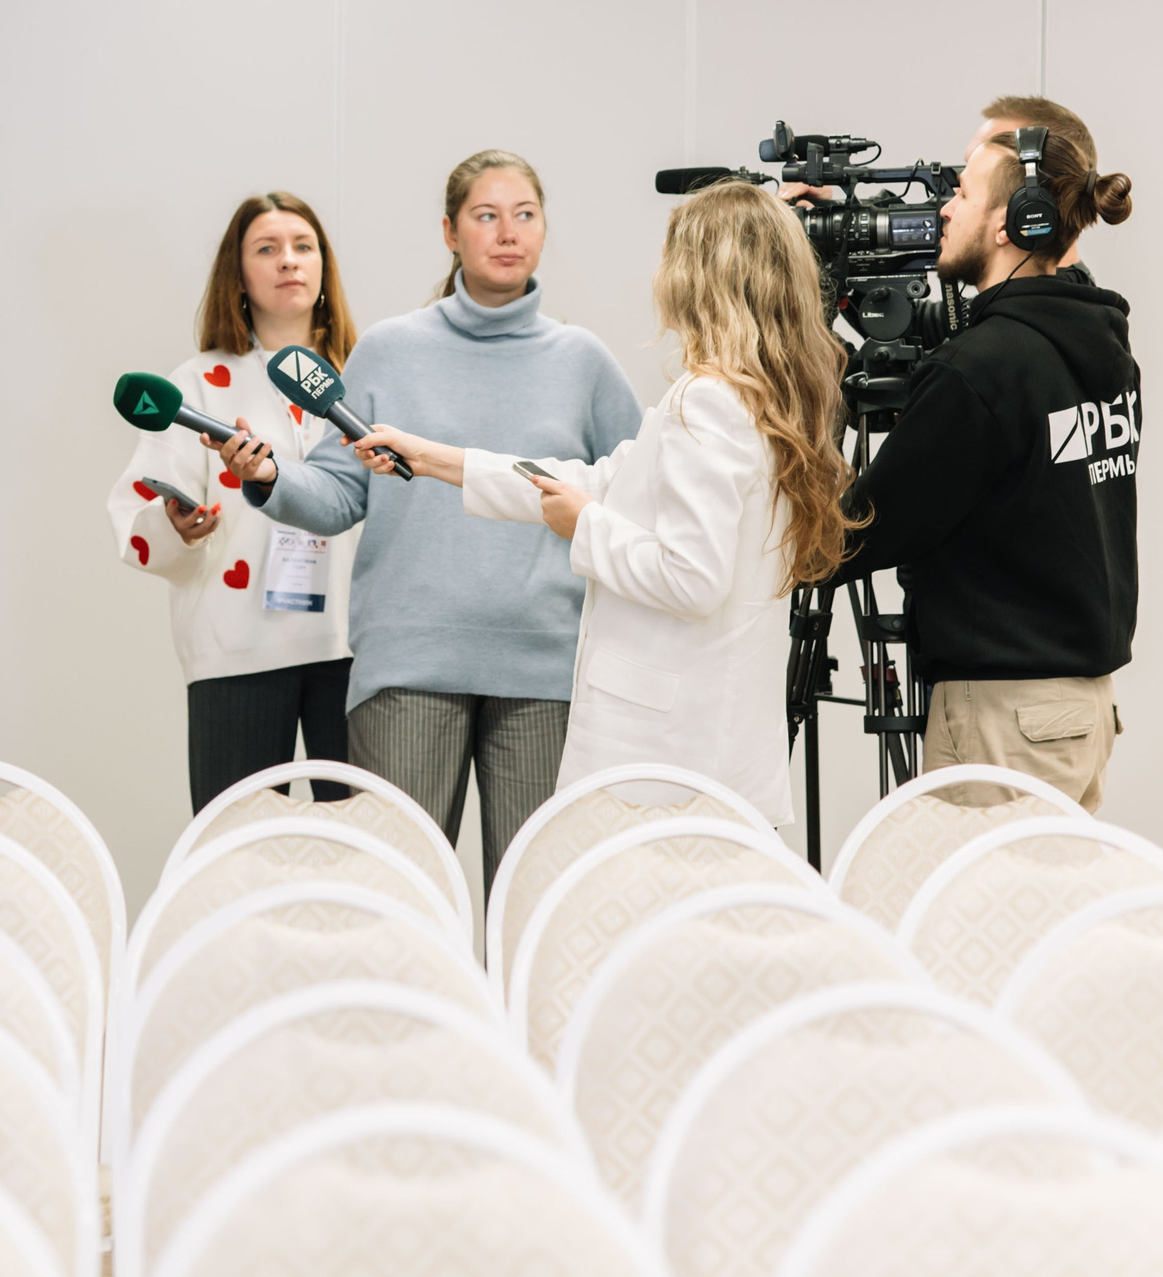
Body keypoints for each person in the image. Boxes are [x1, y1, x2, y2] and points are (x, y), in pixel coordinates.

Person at [345, 180, 857, 822]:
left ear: (699, 275)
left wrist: (583, 528)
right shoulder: (767, 401)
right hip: (713, 743)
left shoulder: (706, 402)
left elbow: (691, 579)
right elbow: (598, 479)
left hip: (672, 751)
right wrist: (433, 458)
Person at [210, 151, 643, 887]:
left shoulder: (584, 361)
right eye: (486, 215)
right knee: (400, 898)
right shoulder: (389, 350)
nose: (508, 233)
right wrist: (271, 476)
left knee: (534, 903)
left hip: (545, 669)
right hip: (408, 666)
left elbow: (633, 500)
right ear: (449, 231)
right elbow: (339, 495)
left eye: (525, 215)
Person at [833, 96, 1138, 809]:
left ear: (1014, 220)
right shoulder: (1101, 341)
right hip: (1077, 710)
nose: (944, 208)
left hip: (1003, 722)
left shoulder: (981, 369)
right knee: (1052, 914)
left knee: (979, 918)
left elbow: (854, 536)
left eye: (962, 193)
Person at [109, 192, 361, 812]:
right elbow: (139, 518)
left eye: (304, 247)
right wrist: (178, 526)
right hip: (237, 648)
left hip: (358, 647)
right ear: (238, 273)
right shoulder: (194, 383)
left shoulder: (366, 376)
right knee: (233, 853)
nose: (289, 261)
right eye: (267, 249)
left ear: (324, 266)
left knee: (366, 850)